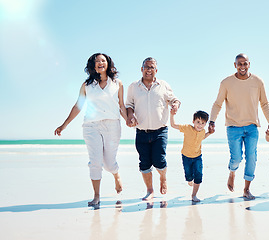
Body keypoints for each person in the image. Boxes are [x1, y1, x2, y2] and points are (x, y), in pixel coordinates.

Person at [54, 53, 127, 206]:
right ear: (92, 66)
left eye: (103, 60)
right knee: (95, 161)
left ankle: (115, 174)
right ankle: (96, 196)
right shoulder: (87, 85)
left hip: (112, 124)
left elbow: (121, 105)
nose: (100, 62)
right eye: (97, 61)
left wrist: (128, 120)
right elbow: (78, 106)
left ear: (108, 63)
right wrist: (64, 125)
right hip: (91, 126)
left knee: (109, 163)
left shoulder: (117, 83)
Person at [209, 53, 269, 200]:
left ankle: (246, 189)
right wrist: (212, 120)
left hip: (252, 127)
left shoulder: (258, 82)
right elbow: (218, 104)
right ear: (235, 65)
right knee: (236, 158)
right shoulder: (226, 83)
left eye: (245, 63)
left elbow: (264, 103)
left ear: (249, 64)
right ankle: (232, 172)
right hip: (233, 127)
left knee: (252, 157)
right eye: (239, 64)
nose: (242, 66)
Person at [125, 57, 181, 201]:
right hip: (141, 131)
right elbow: (129, 105)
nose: (149, 70)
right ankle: (150, 190)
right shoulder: (133, 87)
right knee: (144, 163)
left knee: (159, 161)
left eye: (151, 67)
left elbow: (175, 99)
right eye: (146, 67)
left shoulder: (163, 85)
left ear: (156, 70)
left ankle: (163, 178)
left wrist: (175, 105)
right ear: (141, 69)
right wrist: (130, 116)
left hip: (160, 131)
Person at [170, 110, 214, 202]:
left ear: (205, 124)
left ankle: (194, 195)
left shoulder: (203, 131)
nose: (200, 125)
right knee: (188, 175)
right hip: (186, 156)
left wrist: (209, 133)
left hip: (198, 156)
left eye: (203, 123)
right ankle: (189, 180)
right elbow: (173, 125)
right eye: (198, 122)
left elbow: (203, 137)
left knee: (199, 175)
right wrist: (172, 115)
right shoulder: (187, 128)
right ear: (193, 121)